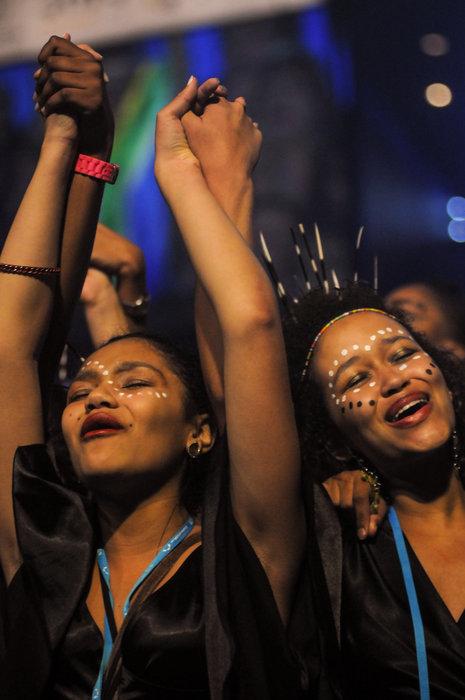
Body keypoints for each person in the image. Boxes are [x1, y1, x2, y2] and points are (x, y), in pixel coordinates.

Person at [1, 36, 311, 699]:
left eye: (135, 382)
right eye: (80, 389)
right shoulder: (41, 549)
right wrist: (68, 138)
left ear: (199, 431)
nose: (97, 395)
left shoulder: (241, 553)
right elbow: (11, 345)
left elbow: (248, 323)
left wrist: (180, 169)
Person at [284, 282, 465, 698]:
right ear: (334, 440)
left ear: (447, 381)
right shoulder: (337, 542)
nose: (393, 380)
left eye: (403, 354)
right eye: (356, 379)